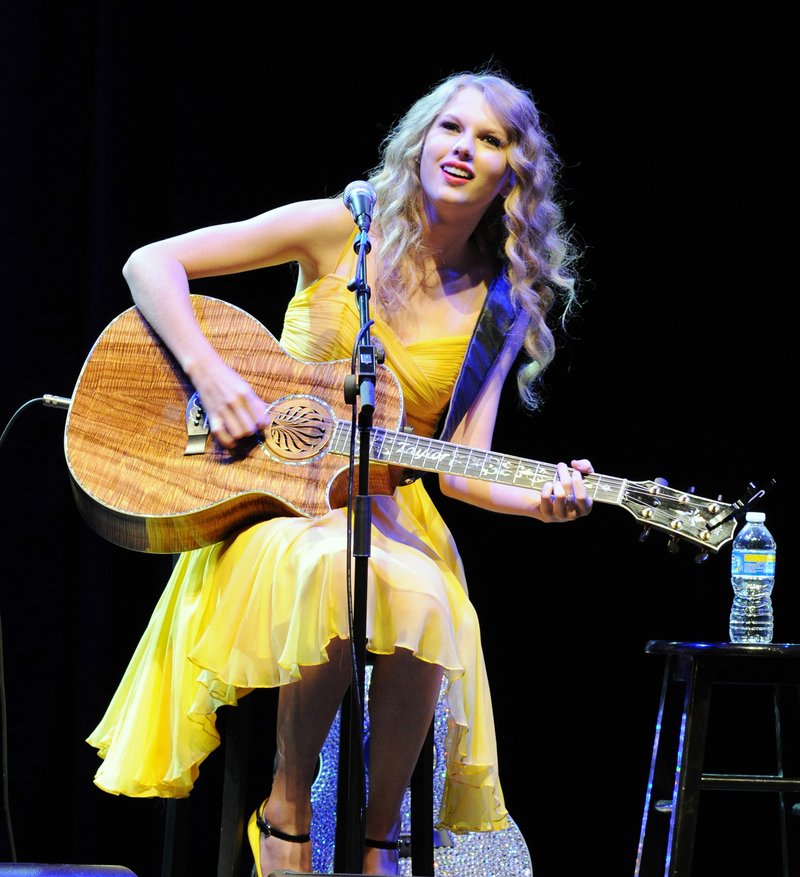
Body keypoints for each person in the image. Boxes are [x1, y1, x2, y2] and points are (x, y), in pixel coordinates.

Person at [87, 67, 594, 877]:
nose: (464, 149)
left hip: (389, 514)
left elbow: (464, 465)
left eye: (490, 140)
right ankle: (286, 811)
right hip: (271, 507)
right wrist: (216, 379)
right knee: (331, 568)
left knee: (430, 596)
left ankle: (374, 839)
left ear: (515, 175)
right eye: (450, 128)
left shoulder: (501, 304)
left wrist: (543, 502)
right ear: (421, 140)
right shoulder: (338, 229)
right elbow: (151, 264)